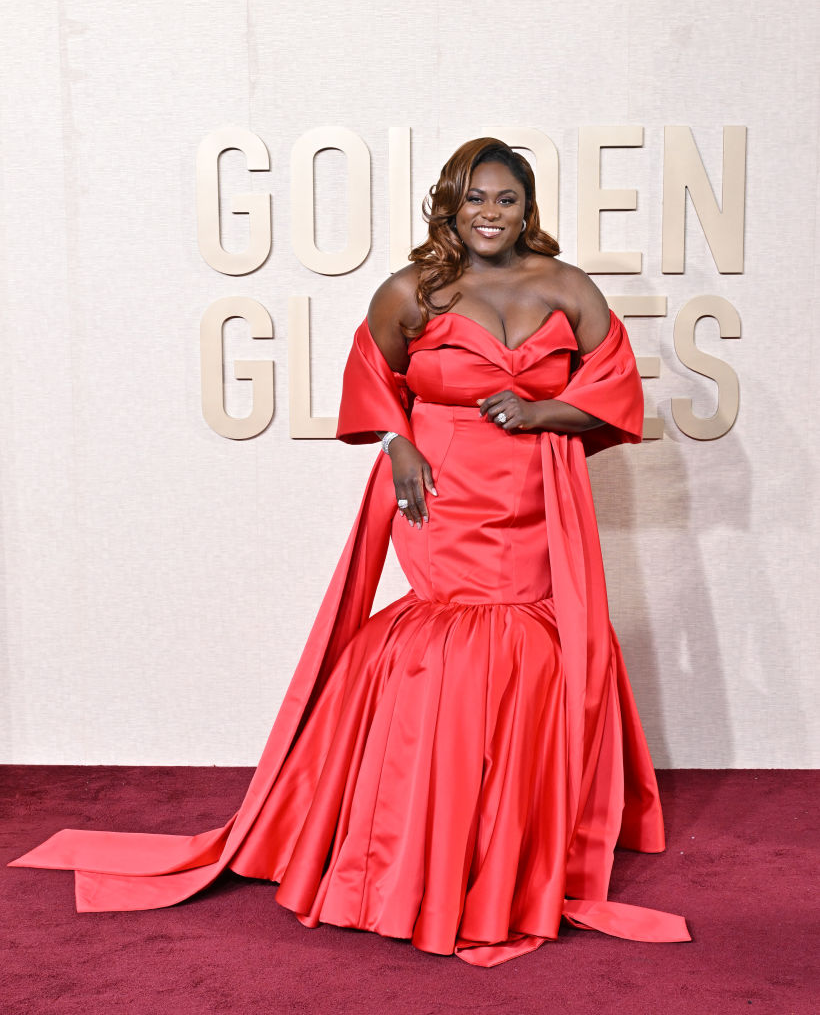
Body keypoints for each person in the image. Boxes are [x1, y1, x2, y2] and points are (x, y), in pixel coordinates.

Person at [10, 138, 689, 966]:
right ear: (449, 203)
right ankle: (419, 835)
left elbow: (614, 395)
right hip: (441, 488)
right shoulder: (411, 290)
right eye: (475, 198)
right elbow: (376, 380)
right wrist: (397, 447)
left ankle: (510, 838)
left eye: (506, 200)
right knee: (448, 639)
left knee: (531, 641)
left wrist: (544, 414)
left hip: (538, 498)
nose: (490, 213)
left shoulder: (568, 288)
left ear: (528, 208)